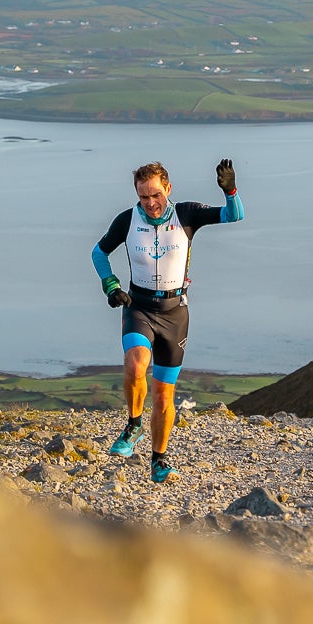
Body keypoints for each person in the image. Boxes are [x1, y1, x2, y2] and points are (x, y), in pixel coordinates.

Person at [91, 159, 244, 484]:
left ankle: (159, 461)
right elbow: (98, 252)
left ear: (168, 189)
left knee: (163, 395)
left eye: (156, 195)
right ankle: (133, 426)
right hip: (139, 307)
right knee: (135, 364)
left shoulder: (187, 214)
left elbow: (234, 215)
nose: (150, 202)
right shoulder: (127, 220)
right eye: (144, 196)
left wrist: (230, 191)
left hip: (175, 313)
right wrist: (111, 285)